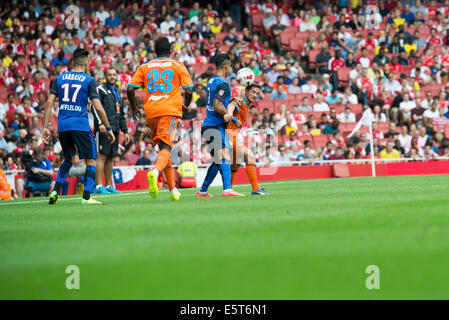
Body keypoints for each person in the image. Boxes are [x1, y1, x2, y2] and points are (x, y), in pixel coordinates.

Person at [42, 48, 115, 205]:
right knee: (91, 159)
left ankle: (55, 191)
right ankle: (87, 197)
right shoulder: (89, 80)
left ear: (73, 62)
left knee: (68, 158)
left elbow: (49, 102)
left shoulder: (60, 79)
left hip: (63, 125)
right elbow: (98, 107)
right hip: (80, 124)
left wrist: (45, 127)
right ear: (86, 63)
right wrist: (108, 128)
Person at [127, 37, 193, 201]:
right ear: (170, 51)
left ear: (154, 52)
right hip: (169, 110)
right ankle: (155, 173)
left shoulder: (145, 67)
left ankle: (172, 190)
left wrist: (135, 107)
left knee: (164, 148)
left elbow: (129, 89)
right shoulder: (177, 65)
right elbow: (189, 90)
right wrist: (186, 105)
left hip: (151, 112)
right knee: (166, 148)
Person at [196, 53, 244, 197]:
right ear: (226, 66)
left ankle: (202, 191)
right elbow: (217, 105)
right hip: (214, 125)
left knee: (219, 160)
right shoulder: (223, 83)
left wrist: (231, 99)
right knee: (223, 156)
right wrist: (233, 119)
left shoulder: (212, 81)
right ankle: (227, 189)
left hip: (210, 125)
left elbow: (215, 102)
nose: (231, 71)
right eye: (230, 67)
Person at [226, 82, 269, 195]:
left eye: (257, 93)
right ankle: (255, 189)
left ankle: (228, 189)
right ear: (246, 91)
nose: (255, 95)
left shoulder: (246, 105)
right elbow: (231, 105)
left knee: (236, 163)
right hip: (228, 134)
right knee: (249, 156)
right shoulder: (240, 101)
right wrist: (230, 115)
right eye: (253, 92)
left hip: (233, 135)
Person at [93, 68, 130, 195]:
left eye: (114, 74)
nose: (112, 77)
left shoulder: (118, 93)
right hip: (104, 129)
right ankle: (98, 186)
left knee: (110, 157)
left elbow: (121, 114)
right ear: (105, 76)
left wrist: (125, 131)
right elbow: (95, 107)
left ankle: (108, 186)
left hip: (114, 129)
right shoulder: (100, 89)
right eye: (110, 75)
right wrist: (100, 124)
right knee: (101, 156)